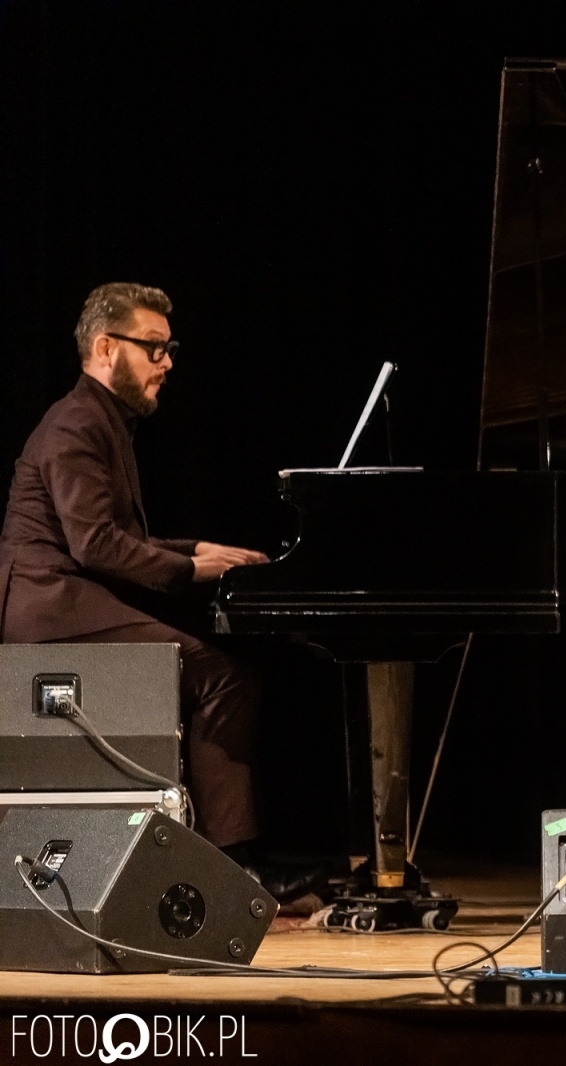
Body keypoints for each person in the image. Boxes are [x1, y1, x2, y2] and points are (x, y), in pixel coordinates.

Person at [0, 282, 320, 902]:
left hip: (63, 600)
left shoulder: (102, 420)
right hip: (48, 608)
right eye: (154, 347)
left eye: (168, 347)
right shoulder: (76, 422)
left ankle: (215, 858)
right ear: (103, 347)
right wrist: (195, 570)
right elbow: (96, 546)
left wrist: (194, 550)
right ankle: (237, 869)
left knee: (226, 670)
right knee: (223, 676)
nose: (167, 361)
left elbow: (112, 536)